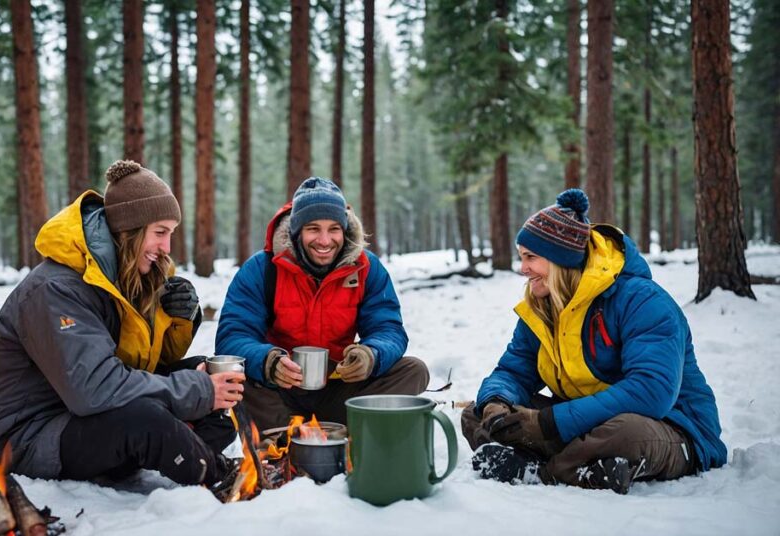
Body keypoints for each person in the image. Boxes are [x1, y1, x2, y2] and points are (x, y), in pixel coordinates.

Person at [0, 160, 243, 492]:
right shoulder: (56, 289)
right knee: (151, 420)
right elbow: (95, 389)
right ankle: (226, 476)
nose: (167, 248)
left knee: (202, 375)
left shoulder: (118, 277)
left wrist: (177, 320)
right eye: (160, 233)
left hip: (77, 415)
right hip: (28, 437)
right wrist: (196, 392)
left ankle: (174, 447)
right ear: (128, 231)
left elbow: (143, 364)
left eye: (170, 234)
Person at [462, 189, 726, 494]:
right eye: (522, 257)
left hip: (673, 427)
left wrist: (549, 423)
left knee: (624, 434)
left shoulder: (642, 300)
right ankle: (585, 468)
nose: (523, 268)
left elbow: (651, 392)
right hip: (584, 420)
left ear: (560, 260)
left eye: (531, 257)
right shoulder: (542, 307)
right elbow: (513, 370)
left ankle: (545, 471)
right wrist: (498, 401)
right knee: (477, 412)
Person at [215, 176, 429, 430]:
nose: (325, 241)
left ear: (345, 230)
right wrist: (268, 361)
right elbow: (233, 336)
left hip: (341, 387)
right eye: (313, 229)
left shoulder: (366, 268)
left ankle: (358, 433)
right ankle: (281, 440)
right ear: (297, 231)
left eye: (334, 229)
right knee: (234, 374)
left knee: (413, 370)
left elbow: (388, 329)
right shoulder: (262, 269)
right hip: (278, 390)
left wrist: (370, 355)